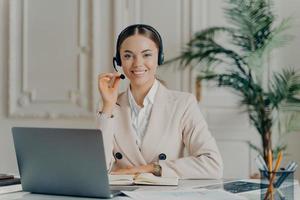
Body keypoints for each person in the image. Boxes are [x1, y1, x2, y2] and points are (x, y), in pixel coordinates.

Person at [97, 24, 223, 179]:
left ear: (160, 58)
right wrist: (108, 106)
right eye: (128, 56)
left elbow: (213, 165)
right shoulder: (110, 106)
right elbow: (99, 169)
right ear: (119, 61)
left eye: (147, 55)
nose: (137, 63)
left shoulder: (183, 104)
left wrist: (151, 168)